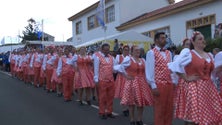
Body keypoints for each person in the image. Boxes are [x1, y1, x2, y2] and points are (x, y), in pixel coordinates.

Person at [168, 31, 222, 125]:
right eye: (200, 39)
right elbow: (174, 66)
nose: (203, 41)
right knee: (194, 118)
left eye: (203, 39)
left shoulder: (209, 55)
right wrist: (186, 77)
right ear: (193, 42)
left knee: (211, 114)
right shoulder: (189, 53)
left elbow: (213, 73)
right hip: (195, 88)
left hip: (208, 88)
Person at [115, 45, 153, 125]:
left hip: (142, 82)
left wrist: (149, 82)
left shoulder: (143, 60)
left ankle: (139, 119)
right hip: (132, 82)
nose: (138, 52)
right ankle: (132, 119)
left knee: (141, 102)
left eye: (139, 50)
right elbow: (120, 67)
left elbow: (146, 72)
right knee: (131, 102)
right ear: (131, 52)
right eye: (136, 50)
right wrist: (126, 75)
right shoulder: (129, 59)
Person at [145, 32, 176, 125]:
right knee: (159, 109)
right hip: (159, 84)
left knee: (169, 108)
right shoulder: (151, 53)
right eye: (162, 38)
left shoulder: (168, 53)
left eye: (165, 38)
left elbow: (171, 68)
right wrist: (153, 86)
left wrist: (173, 81)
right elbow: (149, 70)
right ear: (156, 40)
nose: (165, 39)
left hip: (169, 84)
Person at [93, 43, 115, 119]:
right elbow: (96, 68)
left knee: (110, 97)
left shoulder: (112, 58)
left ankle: (109, 111)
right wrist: (96, 79)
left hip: (111, 80)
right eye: (105, 50)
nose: (106, 51)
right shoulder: (98, 57)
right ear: (102, 50)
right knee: (102, 97)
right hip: (102, 80)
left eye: (108, 50)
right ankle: (102, 112)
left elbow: (114, 69)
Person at [114, 45, 130, 116]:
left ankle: (128, 107)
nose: (126, 51)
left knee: (129, 92)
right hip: (121, 76)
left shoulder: (130, 57)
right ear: (122, 50)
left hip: (128, 76)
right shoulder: (118, 57)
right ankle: (124, 108)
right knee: (123, 92)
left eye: (127, 50)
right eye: (125, 50)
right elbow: (115, 67)